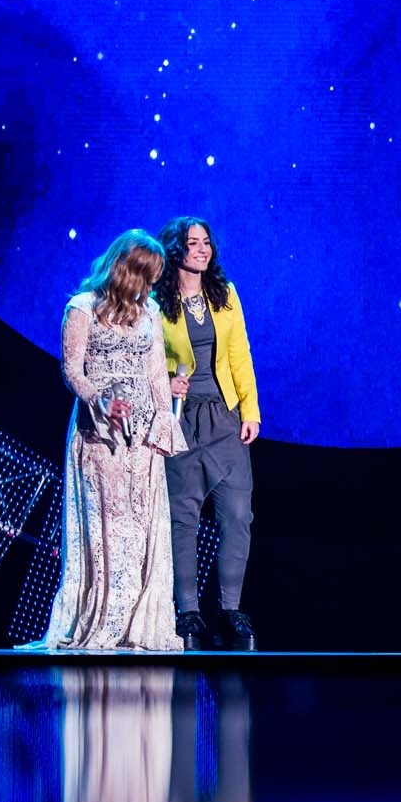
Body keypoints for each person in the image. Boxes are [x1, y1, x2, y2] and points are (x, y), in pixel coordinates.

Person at [28, 230, 184, 651]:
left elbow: (155, 372)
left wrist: (164, 420)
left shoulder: (150, 310)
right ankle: (102, 619)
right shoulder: (82, 308)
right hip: (100, 432)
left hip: (143, 436)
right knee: (108, 528)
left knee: (141, 528)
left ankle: (137, 625)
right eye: (144, 277)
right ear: (124, 270)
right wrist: (102, 400)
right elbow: (72, 371)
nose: (149, 287)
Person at [153, 216, 260, 652]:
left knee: (237, 514)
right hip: (180, 419)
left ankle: (231, 609)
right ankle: (188, 611)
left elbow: (240, 355)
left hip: (224, 417)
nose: (202, 249)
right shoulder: (155, 302)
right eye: (192, 243)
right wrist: (165, 381)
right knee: (184, 517)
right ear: (175, 250)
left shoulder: (225, 294)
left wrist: (250, 412)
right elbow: (144, 359)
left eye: (206, 242)